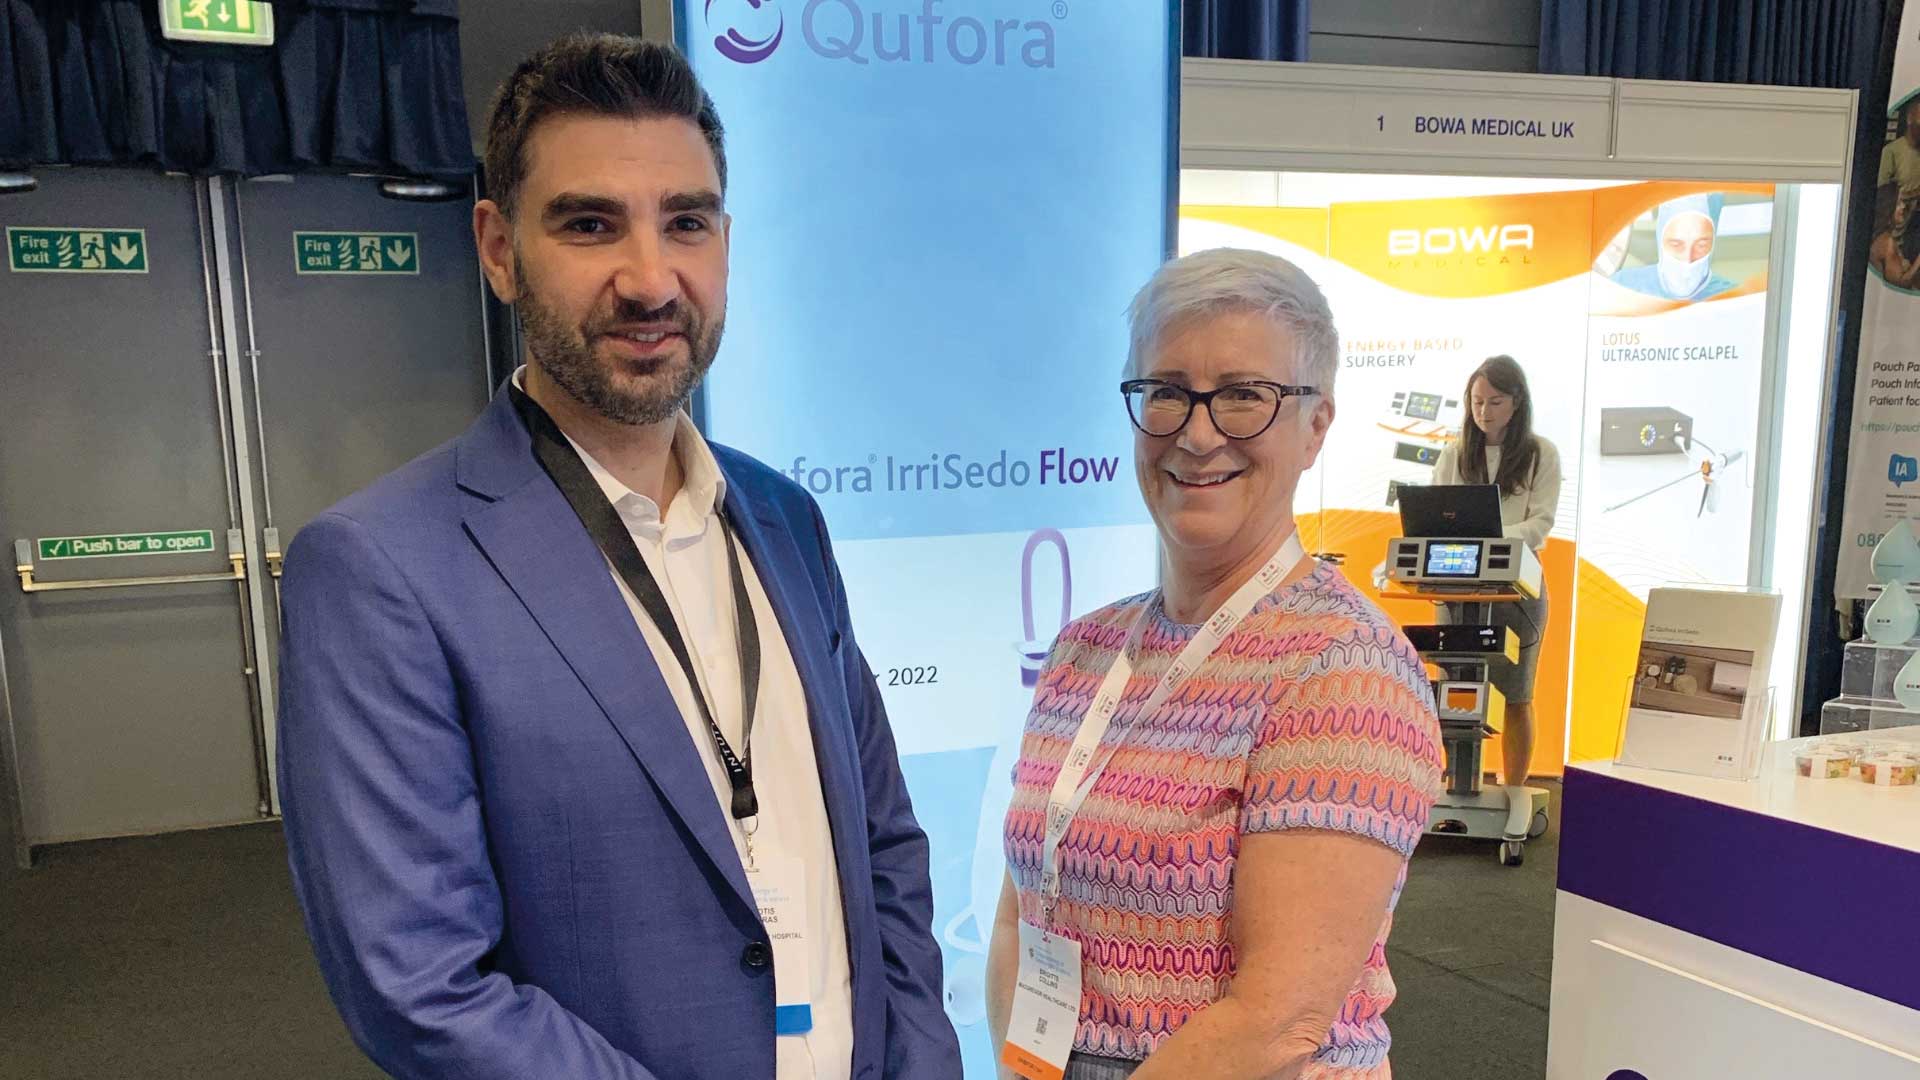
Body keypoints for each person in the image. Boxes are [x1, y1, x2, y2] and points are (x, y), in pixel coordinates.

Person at [276, 34, 962, 1080]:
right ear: (499, 249)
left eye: (686, 222)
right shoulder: (382, 569)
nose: (650, 280)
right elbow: (420, 984)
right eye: (590, 225)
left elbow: (884, 850)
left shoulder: (786, 521)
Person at [986, 248, 1445, 1080]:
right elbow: (1022, 920)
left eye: (1243, 395)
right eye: (1167, 391)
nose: (1197, 434)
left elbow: (1276, 1019)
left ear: (1315, 426)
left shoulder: (1347, 675)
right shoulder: (1083, 652)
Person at [1429, 355, 1562, 842]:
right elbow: (1434, 517)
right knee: (1453, 690)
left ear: (1517, 402)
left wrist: (1487, 536)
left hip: (1518, 588)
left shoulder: (1540, 453)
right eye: (1477, 401)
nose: (1484, 411)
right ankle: (1450, 786)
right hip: (1456, 588)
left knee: (1517, 694)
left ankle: (1515, 790)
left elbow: (1540, 524)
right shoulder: (1454, 453)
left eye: (1495, 402)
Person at [1610, 193, 1736, 302]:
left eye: (1701, 245)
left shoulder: (1733, 299)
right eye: (1676, 245)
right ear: (1660, 240)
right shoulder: (1622, 287)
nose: (1688, 260)